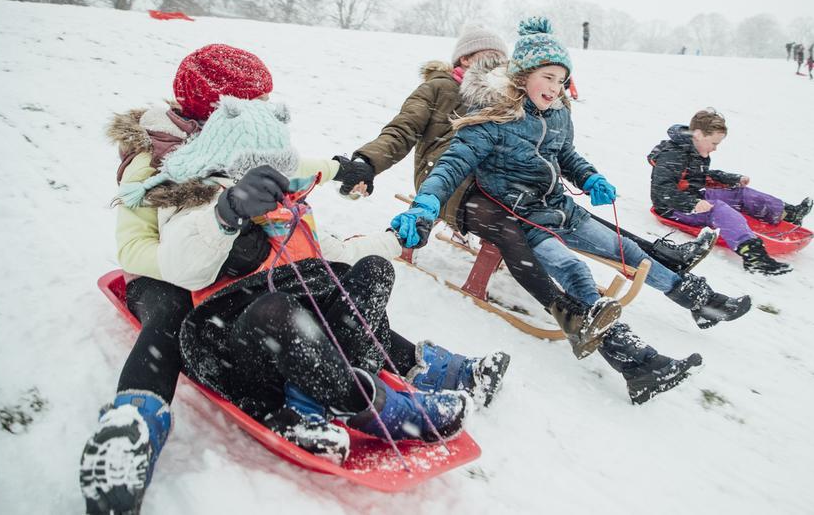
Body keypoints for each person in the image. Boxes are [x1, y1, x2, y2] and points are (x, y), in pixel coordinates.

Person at [80, 47, 506, 513]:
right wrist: (222, 233)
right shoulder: (157, 162)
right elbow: (135, 250)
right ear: (221, 106)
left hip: (251, 274)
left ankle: (401, 370)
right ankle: (130, 428)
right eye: (254, 101)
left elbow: (298, 169)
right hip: (163, 271)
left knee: (327, 286)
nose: (265, 108)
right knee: (172, 318)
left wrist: (348, 172)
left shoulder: (252, 143)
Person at [391, 18, 751, 404]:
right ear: (524, 75)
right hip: (521, 216)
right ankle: (635, 361)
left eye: (562, 80)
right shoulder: (492, 116)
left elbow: (564, 154)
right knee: (574, 269)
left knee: (628, 251)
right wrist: (426, 202)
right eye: (548, 77)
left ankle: (698, 300)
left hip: (560, 207)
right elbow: (451, 165)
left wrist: (589, 177)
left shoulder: (559, 113)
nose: (556, 88)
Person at [648, 109, 814, 275]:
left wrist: (730, 179)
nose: (715, 149)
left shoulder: (695, 148)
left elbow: (698, 176)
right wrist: (693, 203)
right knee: (718, 208)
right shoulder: (673, 155)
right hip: (674, 207)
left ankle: (789, 214)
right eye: (714, 143)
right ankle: (753, 257)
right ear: (698, 134)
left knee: (741, 193)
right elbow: (662, 190)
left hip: (694, 195)